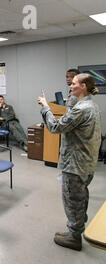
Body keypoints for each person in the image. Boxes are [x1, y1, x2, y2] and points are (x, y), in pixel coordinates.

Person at [37, 73, 101, 251]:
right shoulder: (90, 105)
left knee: (72, 199)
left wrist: (45, 107)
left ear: (84, 86)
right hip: (86, 162)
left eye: (73, 84)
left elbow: (55, 127)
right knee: (80, 197)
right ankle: (76, 228)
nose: (70, 86)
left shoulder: (82, 109)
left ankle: (74, 236)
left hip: (75, 163)